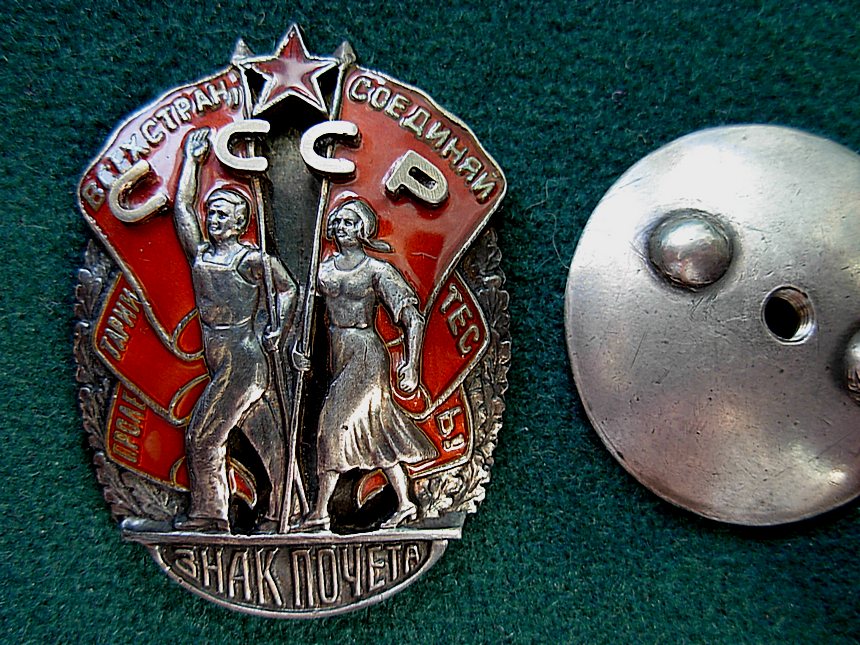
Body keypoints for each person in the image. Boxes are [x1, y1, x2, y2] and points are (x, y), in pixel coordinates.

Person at [172, 127, 298, 532]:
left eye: (223, 215)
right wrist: (192, 163)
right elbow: (182, 208)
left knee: (203, 436)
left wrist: (279, 327)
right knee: (269, 443)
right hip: (222, 360)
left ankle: (210, 514)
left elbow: (288, 289)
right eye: (211, 214)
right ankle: (291, 511)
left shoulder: (251, 260)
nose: (213, 220)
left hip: (244, 361)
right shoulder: (201, 256)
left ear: (241, 222)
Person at [301, 198, 436, 531]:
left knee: (332, 427)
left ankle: (320, 512)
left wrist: (412, 365)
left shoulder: (377, 270)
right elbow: (305, 317)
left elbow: (413, 319)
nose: (341, 228)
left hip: (366, 355)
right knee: (376, 431)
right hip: (337, 354)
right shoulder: (322, 270)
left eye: (349, 222)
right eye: (337, 222)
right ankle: (405, 503)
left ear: (363, 229)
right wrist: (298, 348)